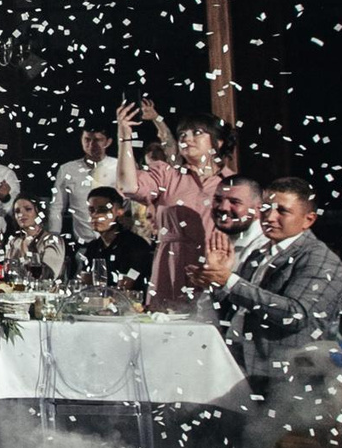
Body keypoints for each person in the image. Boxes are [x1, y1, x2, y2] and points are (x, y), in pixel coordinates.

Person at [194, 175, 342, 395]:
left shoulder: (319, 258)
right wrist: (215, 282)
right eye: (266, 208)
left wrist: (229, 281)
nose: (270, 217)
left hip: (290, 378)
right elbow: (238, 307)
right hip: (246, 367)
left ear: (308, 220)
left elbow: (296, 315)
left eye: (282, 211)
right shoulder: (260, 254)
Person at [117, 99, 229, 311]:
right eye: (183, 134)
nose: (187, 138)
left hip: (213, 267)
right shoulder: (167, 174)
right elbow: (128, 186)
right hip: (171, 265)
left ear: (219, 142)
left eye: (197, 133)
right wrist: (124, 136)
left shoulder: (232, 183)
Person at [46, 121, 114, 244]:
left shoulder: (119, 167)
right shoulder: (67, 169)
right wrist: (54, 239)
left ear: (108, 142)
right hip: (83, 244)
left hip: (116, 242)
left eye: (97, 140)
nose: (91, 144)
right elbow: (56, 207)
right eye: (87, 139)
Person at [75, 186, 154, 291]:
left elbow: (123, 290)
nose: (95, 215)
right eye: (91, 210)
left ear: (119, 212)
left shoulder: (134, 245)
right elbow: (84, 286)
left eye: (103, 210)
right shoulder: (93, 246)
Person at [1, 197, 65, 280]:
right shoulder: (14, 242)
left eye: (28, 209)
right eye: (17, 211)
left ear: (39, 212)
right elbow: (6, 273)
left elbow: (49, 276)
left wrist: (30, 250)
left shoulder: (52, 240)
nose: (21, 214)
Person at [213, 176, 267, 271]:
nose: (223, 207)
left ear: (257, 210)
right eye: (218, 200)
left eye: (234, 202)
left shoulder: (264, 248)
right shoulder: (218, 238)